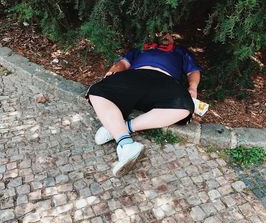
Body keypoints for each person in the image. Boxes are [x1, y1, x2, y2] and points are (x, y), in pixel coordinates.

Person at [85, 33, 202, 177]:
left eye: (168, 33)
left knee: (185, 106)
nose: (164, 35)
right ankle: (126, 144)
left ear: (173, 37)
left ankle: (120, 129)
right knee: (97, 91)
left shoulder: (180, 51)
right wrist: (114, 70)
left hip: (165, 81)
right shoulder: (141, 46)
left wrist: (193, 87)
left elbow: (193, 71)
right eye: (160, 32)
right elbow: (124, 62)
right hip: (135, 76)